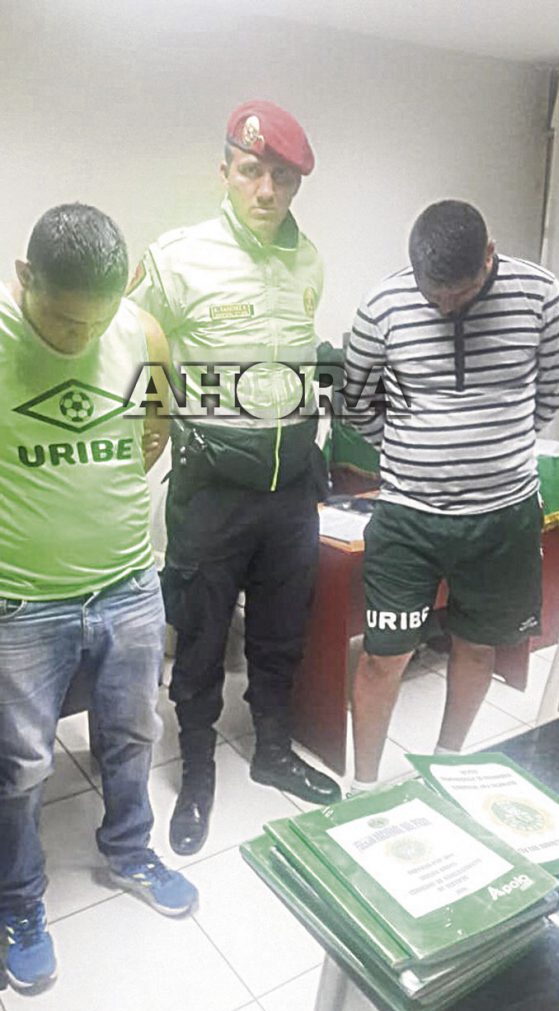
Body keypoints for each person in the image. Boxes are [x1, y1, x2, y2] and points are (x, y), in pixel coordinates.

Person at [129, 99, 341, 857]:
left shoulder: (308, 258)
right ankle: (196, 771)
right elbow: (127, 340)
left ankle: (273, 750)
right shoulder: (177, 257)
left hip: (291, 486)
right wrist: (149, 426)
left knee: (281, 631)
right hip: (212, 487)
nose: (267, 190)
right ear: (225, 170)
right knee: (200, 639)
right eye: (252, 171)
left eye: (283, 177)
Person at [0, 204, 198, 994]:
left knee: (133, 733)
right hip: (22, 600)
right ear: (25, 279)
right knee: (21, 765)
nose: (80, 337)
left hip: (128, 583)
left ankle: (129, 851)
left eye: (96, 319)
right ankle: (19, 901)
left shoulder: (142, 333)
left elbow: (152, 434)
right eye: (62, 319)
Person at [345, 199, 559, 792]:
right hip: (408, 516)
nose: (446, 306)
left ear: (489, 256)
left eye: (460, 294)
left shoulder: (541, 295)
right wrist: (412, 447)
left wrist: (494, 446)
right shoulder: (384, 305)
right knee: (382, 655)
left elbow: (551, 391)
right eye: (434, 295)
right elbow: (356, 401)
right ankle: (361, 787)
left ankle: (446, 768)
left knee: (476, 647)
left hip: (502, 516)